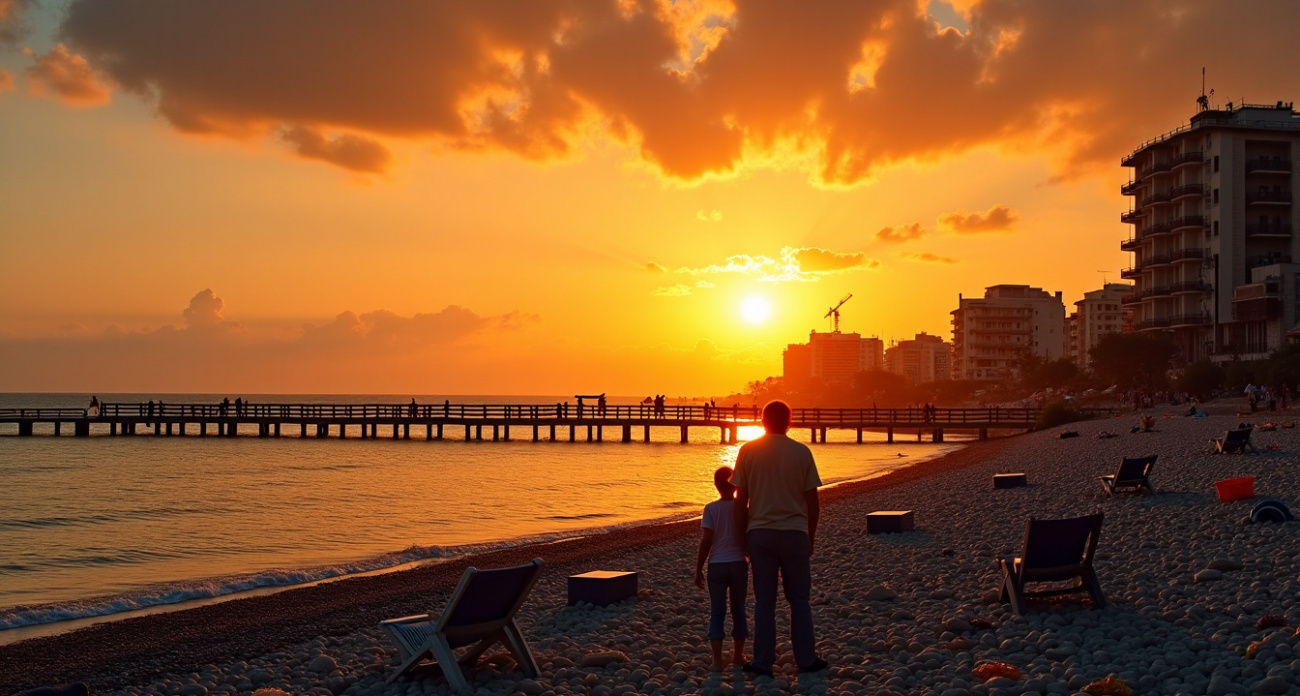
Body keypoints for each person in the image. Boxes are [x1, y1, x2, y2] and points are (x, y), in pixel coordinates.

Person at [731, 400, 827, 677]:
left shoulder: (748, 451)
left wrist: (741, 537)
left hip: (760, 533)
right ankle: (806, 660)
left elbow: (741, 501)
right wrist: (811, 535)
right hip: (794, 531)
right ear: (789, 421)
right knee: (799, 600)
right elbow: (812, 500)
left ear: (762, 421)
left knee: (764, 601)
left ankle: (762, 662)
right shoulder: (801, 452)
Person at [695, 466, 749, 672]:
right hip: (737, 563)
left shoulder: (710, 508)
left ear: (716, 485)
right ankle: (737, 656)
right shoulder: (742, 508)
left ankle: (717, 661)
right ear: (735, 485)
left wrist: (698, 568)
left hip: (717, 564)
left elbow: (707, 540)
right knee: (738, 609)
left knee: (717, 611)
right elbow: (746, 537)